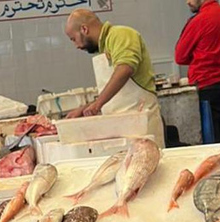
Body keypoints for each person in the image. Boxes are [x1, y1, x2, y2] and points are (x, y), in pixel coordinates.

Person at [63, 9, 165, 147]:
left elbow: (125, 68)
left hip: (141, 127)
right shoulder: (104, 48)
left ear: (84, 29)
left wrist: (98, 104)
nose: (76, 46)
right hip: (122, 130)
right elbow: (117, 97)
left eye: (73, 39)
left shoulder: (120, 34)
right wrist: (85, 108)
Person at [175, 0, 220, 143]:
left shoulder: (199, 20)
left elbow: (180, 56)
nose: (187, 2)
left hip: (206, 88)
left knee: (211, 143)